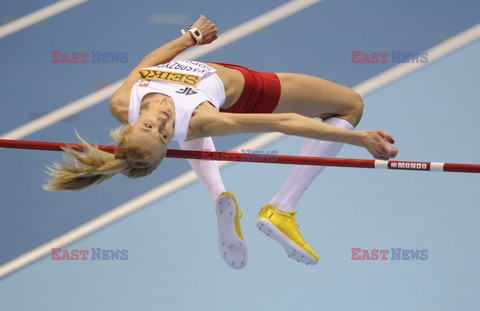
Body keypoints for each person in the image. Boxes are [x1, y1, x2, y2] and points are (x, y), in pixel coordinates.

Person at [44, 15, 398, 269]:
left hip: (215, 72)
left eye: (151, 125)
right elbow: (286, 122)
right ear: (170, 143)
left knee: (192, 131)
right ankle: (282, 208)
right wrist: (358, 138)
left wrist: (191, 38)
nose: (163, 122)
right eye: (165, 135)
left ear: (129, 125)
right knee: (351, 103)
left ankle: (219, 198)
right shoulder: (200, 120)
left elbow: (146, 66)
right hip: (251, 89)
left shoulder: (122, 104)